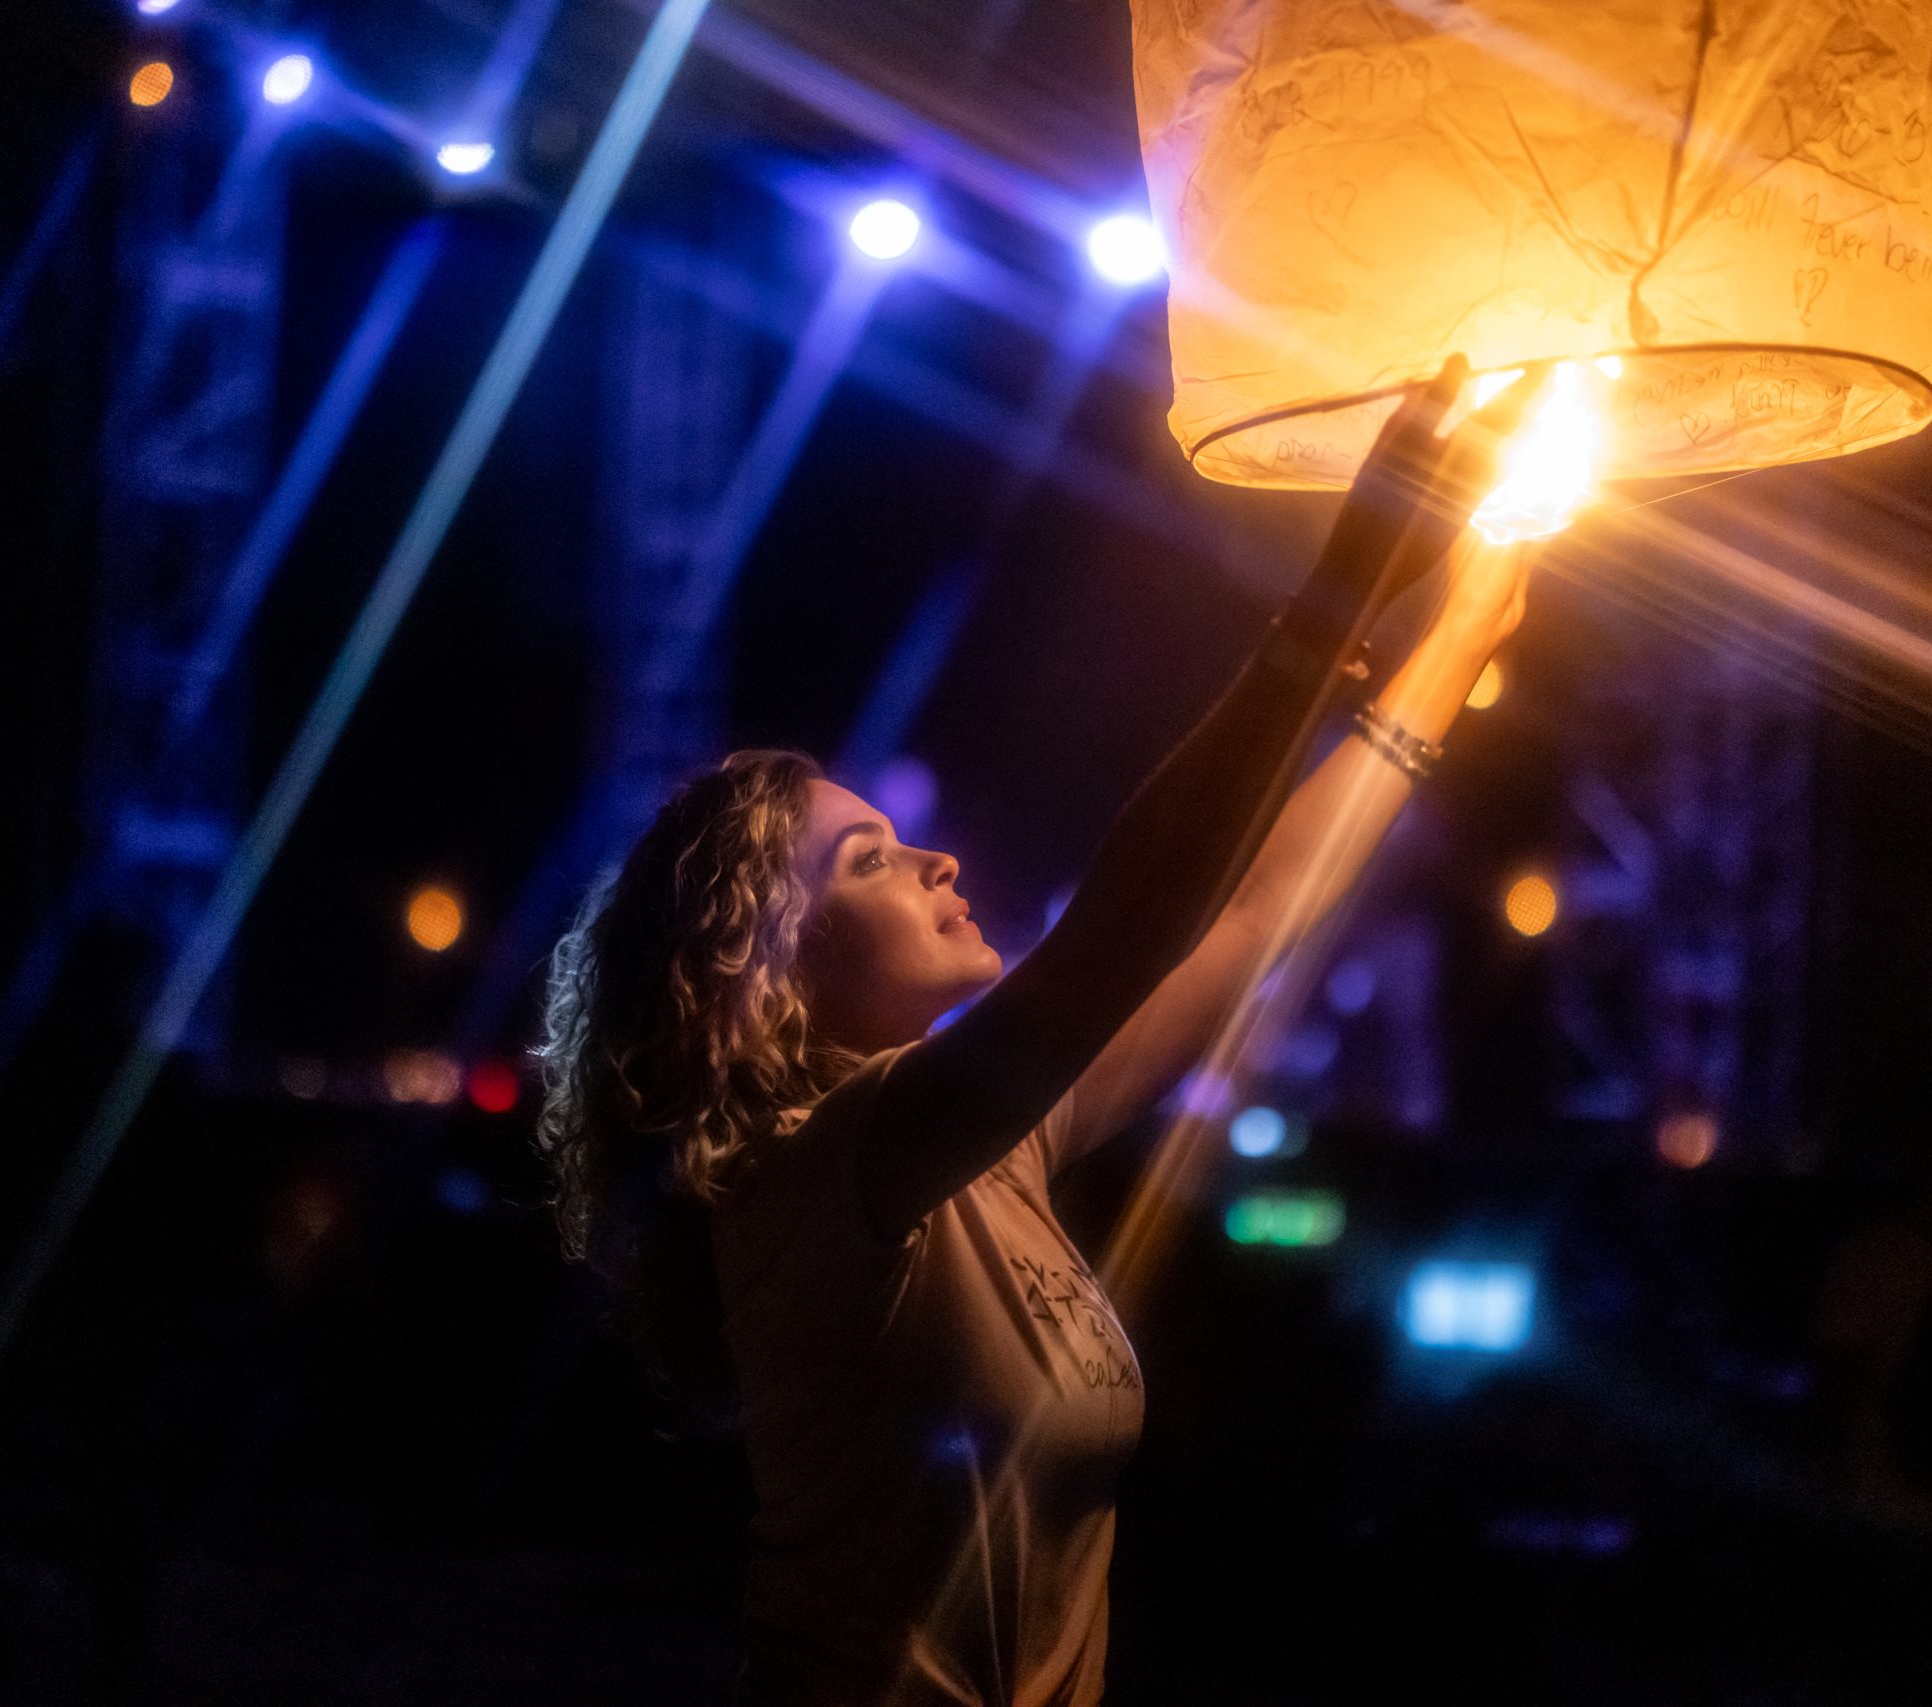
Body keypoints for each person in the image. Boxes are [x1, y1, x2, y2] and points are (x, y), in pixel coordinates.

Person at [536, 359, 1539, 1704]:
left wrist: (1460, 629)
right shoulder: (814, 1171)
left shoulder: (983, 1147)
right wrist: (1343, 588)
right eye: (870, 861)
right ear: (765, 970)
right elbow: (1128, 927)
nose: (938, 859)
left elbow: (1248, 921)